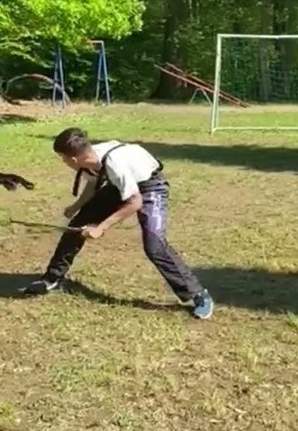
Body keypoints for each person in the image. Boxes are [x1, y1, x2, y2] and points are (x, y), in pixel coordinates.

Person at [21, 128, 215, 320]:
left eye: (62, 158)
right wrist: (76, 206)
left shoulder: (114, 164)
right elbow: (93, 182)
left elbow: (135, 202)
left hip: (150, 187)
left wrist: (101, 228)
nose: (63, 162)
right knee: (78, 224)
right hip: (119, 186)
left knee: (154, 246)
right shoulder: (90, 156)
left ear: (72, 159)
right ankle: (52, 278)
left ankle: (198, 295)